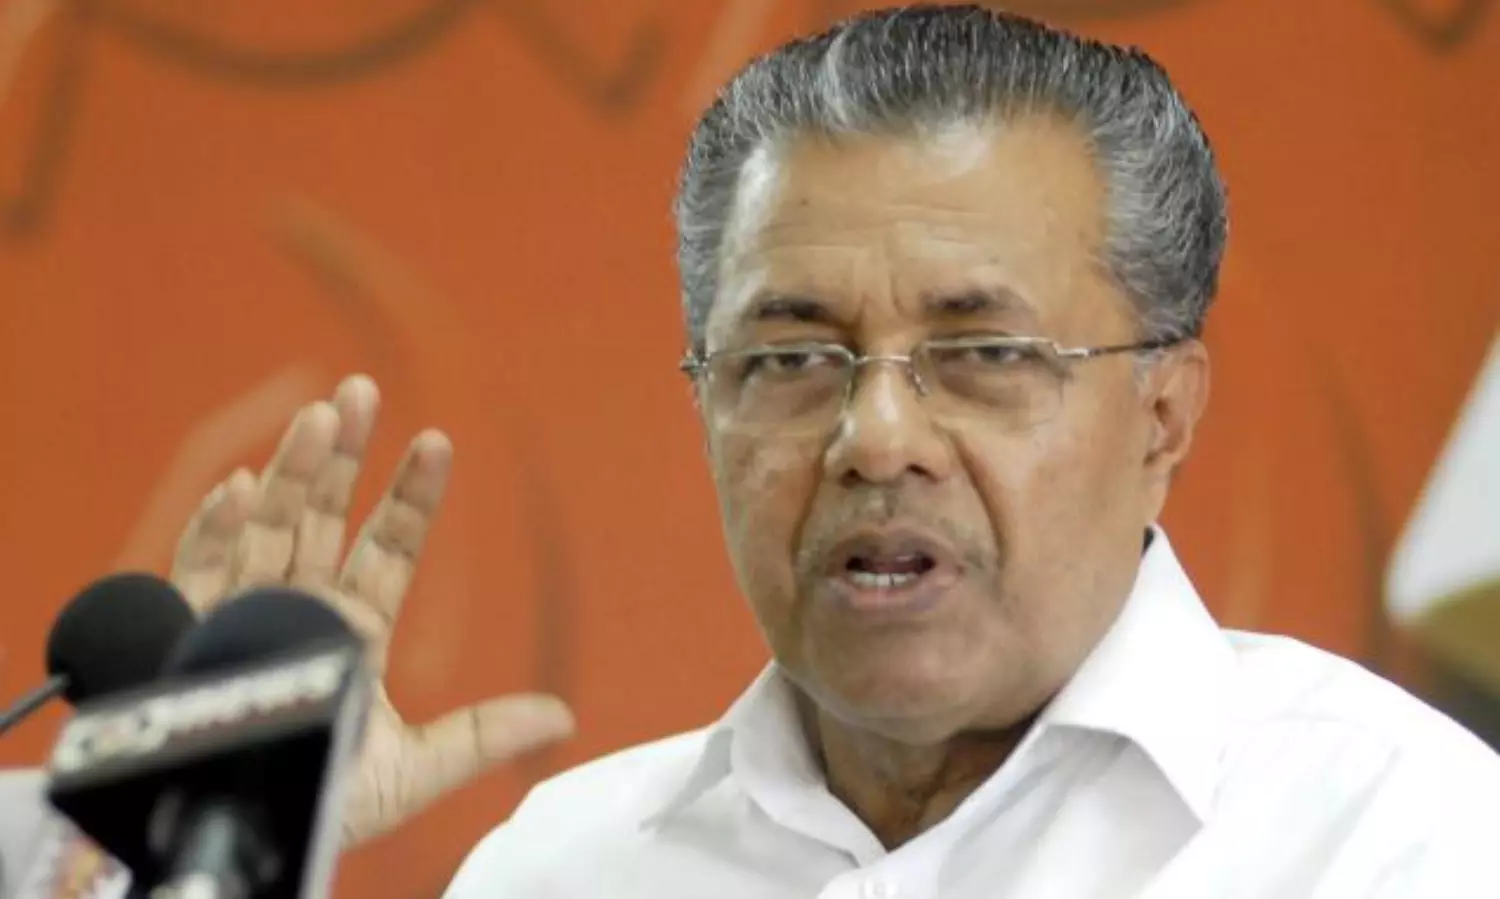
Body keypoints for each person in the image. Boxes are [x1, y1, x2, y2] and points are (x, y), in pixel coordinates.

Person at [4, 5, 1497, 898]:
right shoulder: (565, 870)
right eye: (790, 360)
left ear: (1163, 415)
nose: (876, 436)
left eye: (979, 352)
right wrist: (201, 851)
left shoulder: (1396, 838)